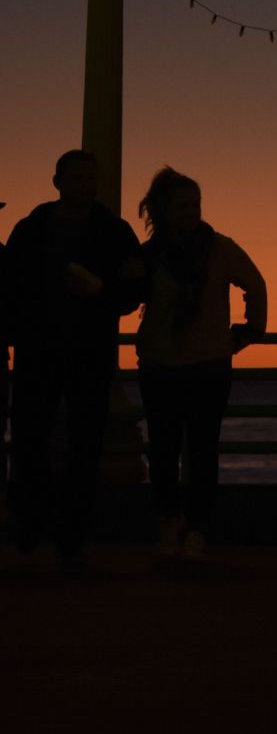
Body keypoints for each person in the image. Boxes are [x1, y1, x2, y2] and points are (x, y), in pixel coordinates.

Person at [4, 151, 143, 569]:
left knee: (84, 446)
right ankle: (32, 526)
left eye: (90, 177)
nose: (86, 184)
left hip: (88, 354)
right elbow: (11, 285)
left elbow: (133, 291)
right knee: (30, 441)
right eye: (78, 177)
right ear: (58, 181)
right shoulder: (30, 229)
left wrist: (101, 291)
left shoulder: (114, 232)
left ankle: (66, 536)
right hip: (38, 351)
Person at [133, 167, 267, 560]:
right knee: (162, 448)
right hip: (160, 362)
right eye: (182, 206)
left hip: (208, 363)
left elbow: (255, 284)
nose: (192, 212)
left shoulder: (220, 248)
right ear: (163, 210)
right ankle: (169, 520)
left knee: (202, 449)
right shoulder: (148, 255)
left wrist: (248, 331)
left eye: (196, 204)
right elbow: (130, 295)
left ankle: (198, 528)